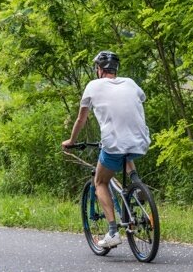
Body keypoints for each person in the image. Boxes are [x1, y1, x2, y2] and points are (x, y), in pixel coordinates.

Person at [62, 50, 151, 248]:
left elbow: (81, 119)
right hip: (140, 143)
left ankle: (112, 232)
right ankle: (137, 185)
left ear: (99, 70)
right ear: (115, 69)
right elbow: (140, 99)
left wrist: (71, 140)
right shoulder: (130, 83)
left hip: (113, 144)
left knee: (100, 181)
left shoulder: (93, 86)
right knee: (125, 151)